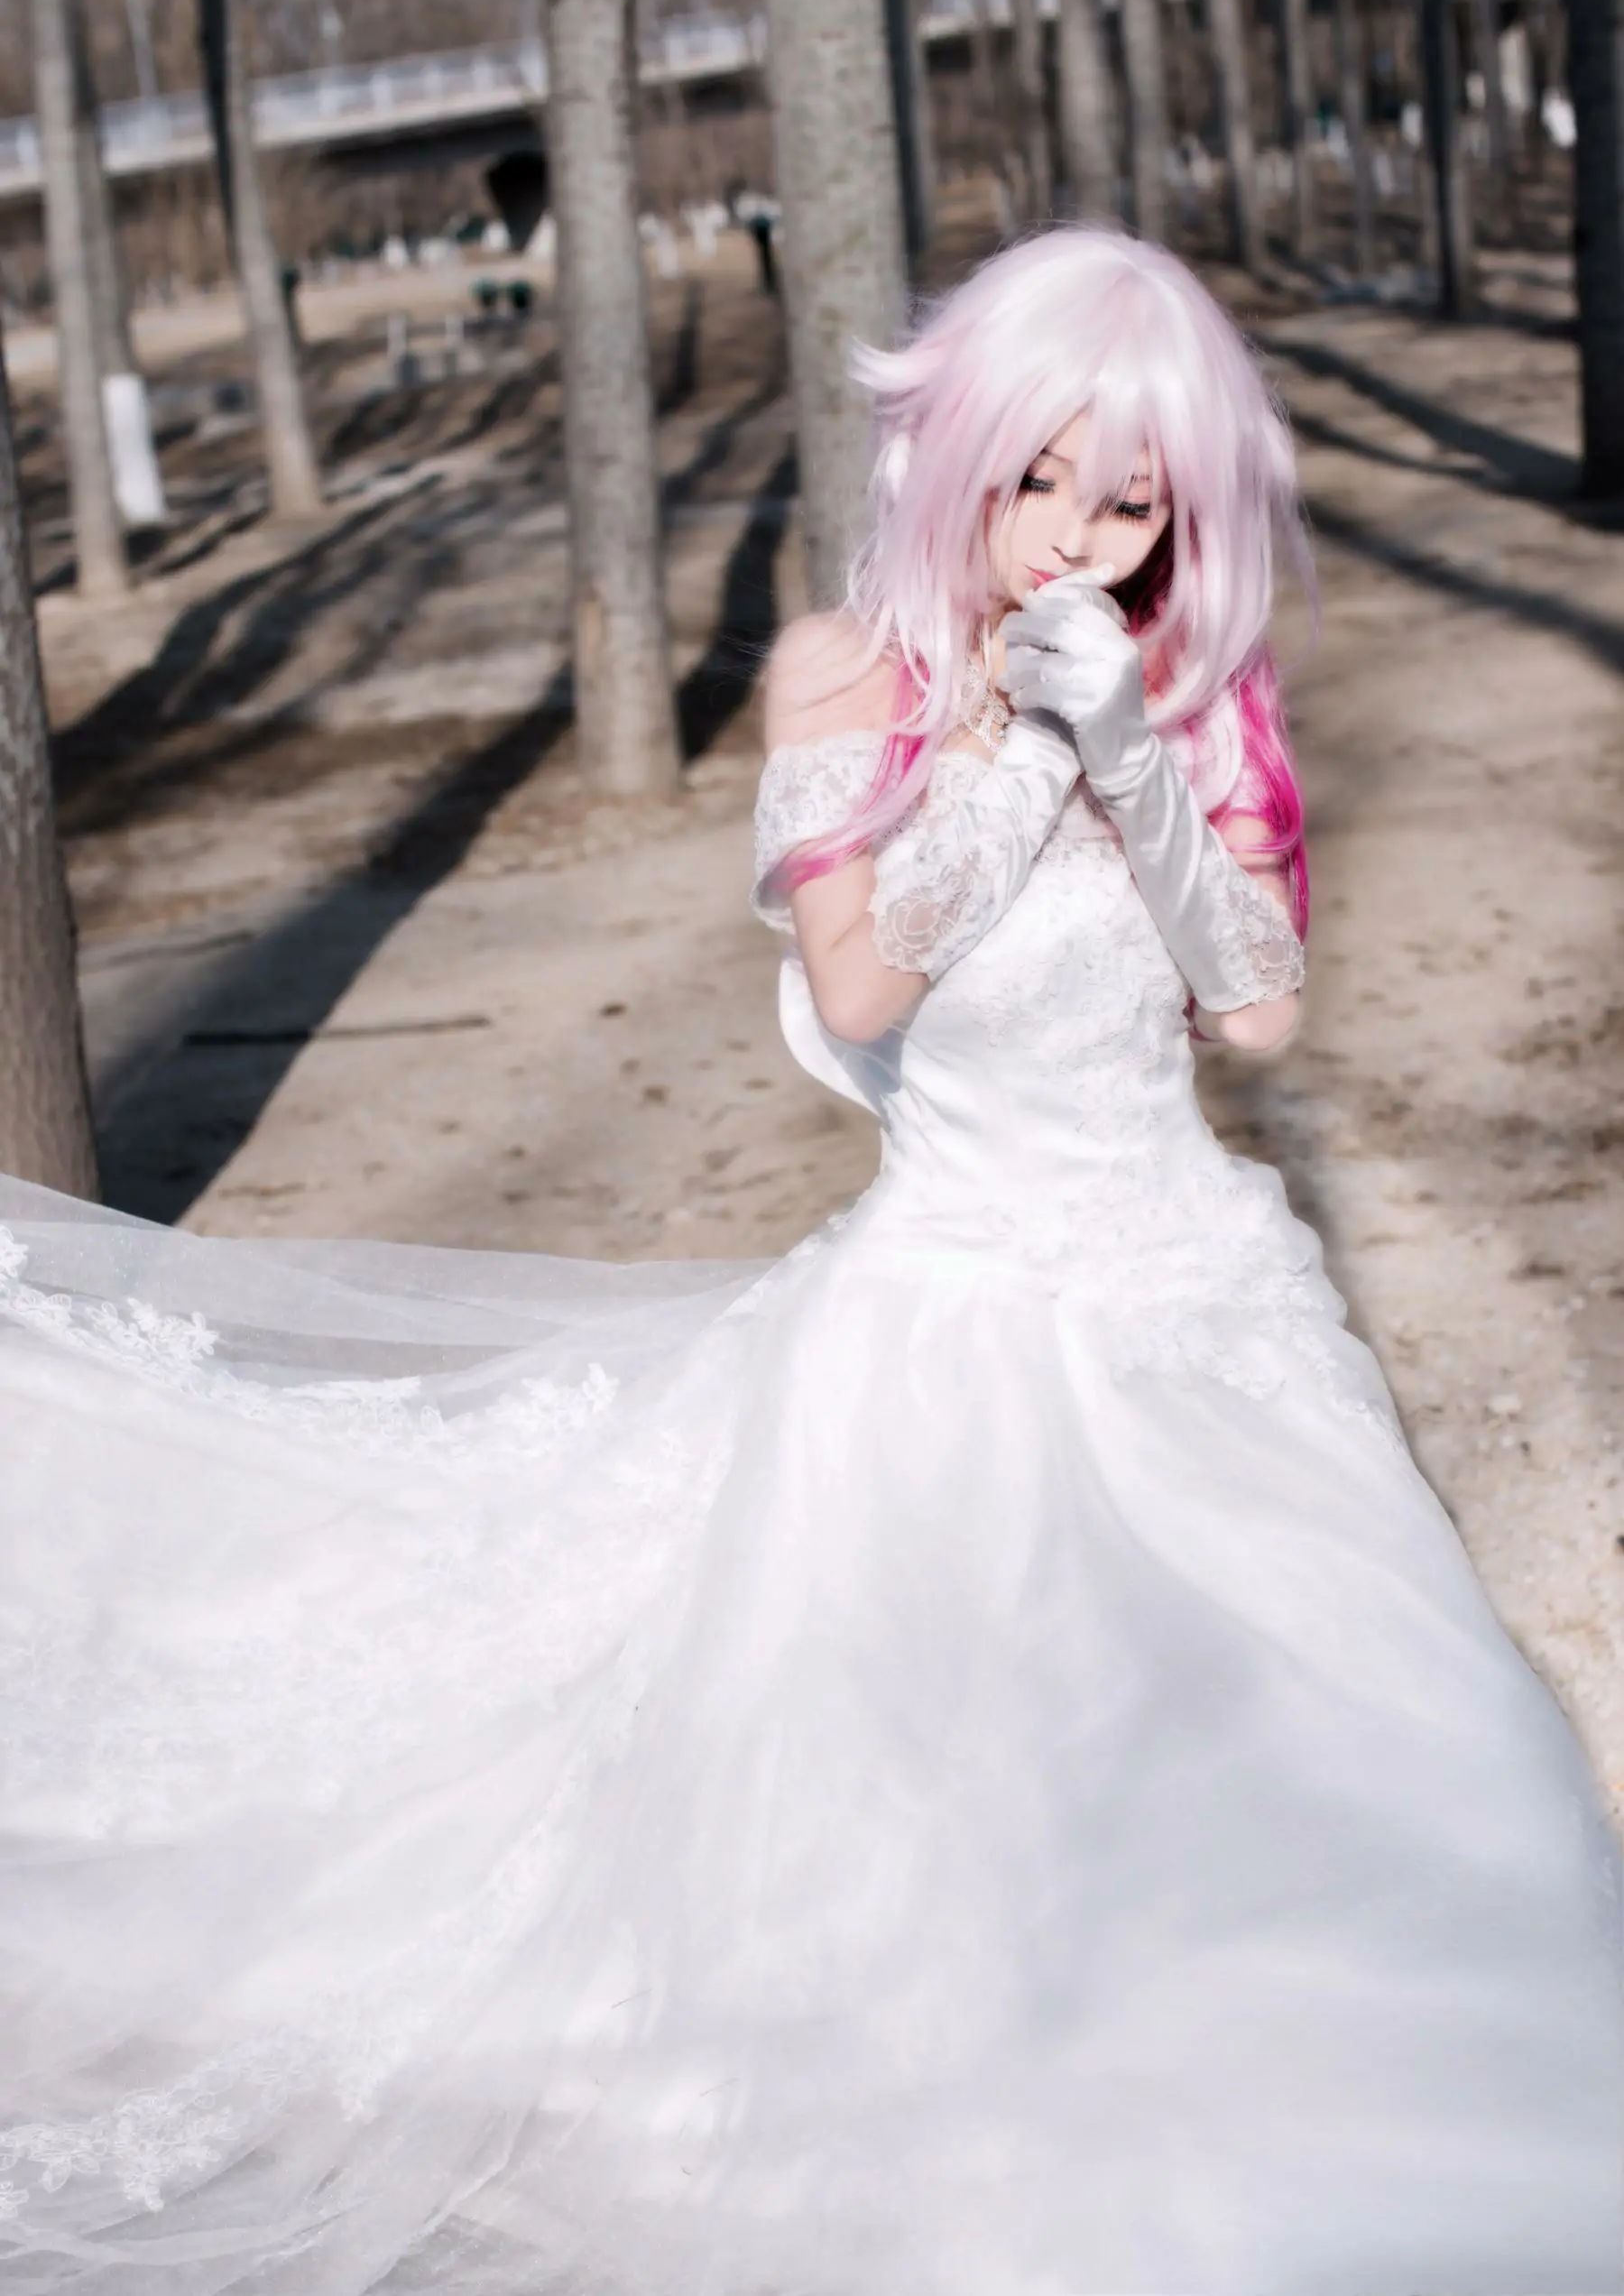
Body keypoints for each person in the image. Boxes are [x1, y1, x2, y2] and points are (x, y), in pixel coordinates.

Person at [0, 229, 1617, 2296]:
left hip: (1206, 1301)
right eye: (1039, 478)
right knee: (940, 1797)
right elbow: (862, 984)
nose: (1078, 535)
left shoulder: (1186, 693)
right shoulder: (846, 674)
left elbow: (1260, 1010)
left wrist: (1137, 756)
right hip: (951, 1323)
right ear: (962, 457)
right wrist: (1021, 764)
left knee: (1332, 1743)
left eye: (1132, 503)